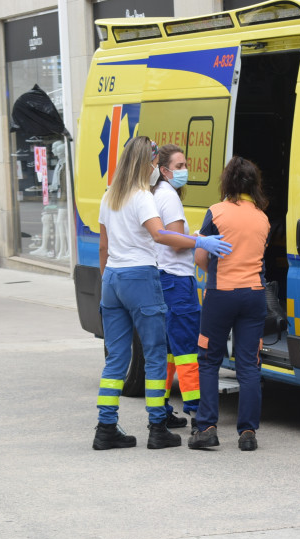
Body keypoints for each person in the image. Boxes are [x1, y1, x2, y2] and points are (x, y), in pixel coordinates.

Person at [93, 136, 231, 451]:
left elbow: (103, 246)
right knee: (156, 355)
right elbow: (160, 234)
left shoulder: (108, 197)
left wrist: (107, 283)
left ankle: (105, 427)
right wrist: (200, 242)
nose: (156, 168)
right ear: (147, 163)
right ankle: (157, 427)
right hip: (140, 277)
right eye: (155, 163)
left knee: (116, 359)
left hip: (112, 278)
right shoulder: (142, 196)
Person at [189, 156, 271, 452]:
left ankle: (207, 427)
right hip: (253, 296)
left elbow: (201, 257)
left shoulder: (217, 212)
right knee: (249, 364)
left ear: (228, 182)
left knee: (209, 359)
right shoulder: (262, 217)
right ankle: (248, 432)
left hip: (221, 295)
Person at [151, 143, 201, 431]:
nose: (184, 170)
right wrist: (198, 239)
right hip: (177, 279)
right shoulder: (169, 197)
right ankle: (197, 412)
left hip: (162, 277)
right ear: (164, 170)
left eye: (184, 165)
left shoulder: (156, 194)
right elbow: (176, 239)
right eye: (179, 166)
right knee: (187, 348)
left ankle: (162, 409)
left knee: (168, 350)